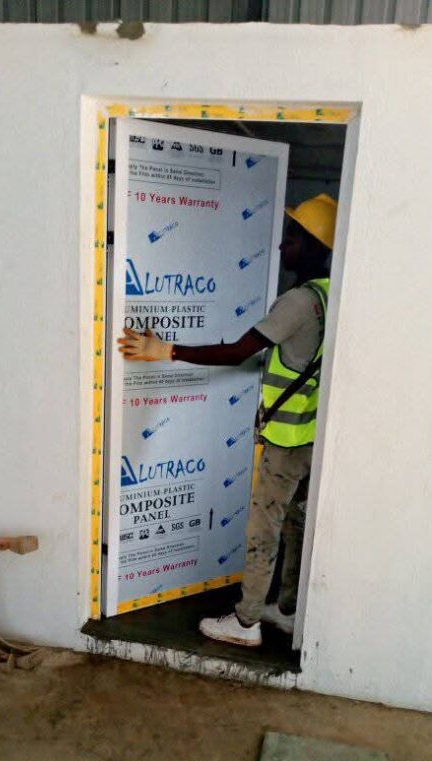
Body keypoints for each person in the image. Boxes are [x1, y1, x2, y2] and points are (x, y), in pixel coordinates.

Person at [118, 193, 338, 648]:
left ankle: (246, 622)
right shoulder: (330, 293)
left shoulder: (298, 302)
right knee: (295, 522)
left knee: (263, 528)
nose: (282, 246)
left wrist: (166, 350)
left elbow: (239, 350)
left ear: (314, 245)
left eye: (293, 237)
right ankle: (287, 610)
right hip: (314, 435)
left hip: (287, 439)